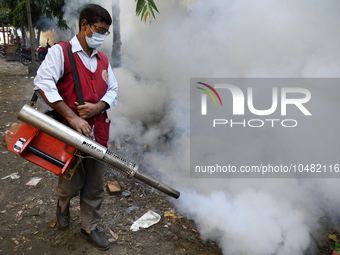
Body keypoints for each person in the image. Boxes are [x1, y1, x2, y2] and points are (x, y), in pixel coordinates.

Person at [33, 4, 118, 251]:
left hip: (98, 134)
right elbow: (42, 82)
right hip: (69, 134)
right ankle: (62, 203)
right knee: (70, 182)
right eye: (99, 29)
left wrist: (98, 107)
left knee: (94, 184)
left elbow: (113, 89)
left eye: (106, 31)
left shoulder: (103, 59)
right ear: (84, 25)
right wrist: (73, 117)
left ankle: (89, 227)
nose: (102, 35)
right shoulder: (62, 52)